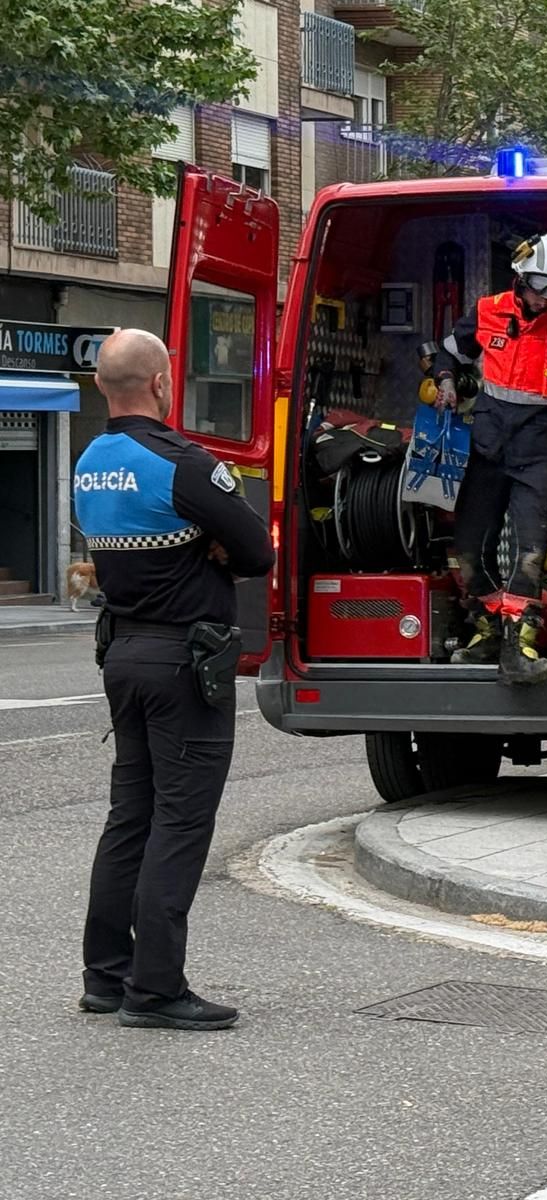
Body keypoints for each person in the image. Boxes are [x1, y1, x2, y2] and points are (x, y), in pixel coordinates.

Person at [73, 329, 275, 1031]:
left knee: (129, 817)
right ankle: (156, 990)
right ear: (162, 383)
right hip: (184, 664)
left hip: (123, 657)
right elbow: (257, 550)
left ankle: (106, 976)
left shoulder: (89, 462)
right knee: (180, 823)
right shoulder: (183, 464)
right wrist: (212, 545)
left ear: (102, 386)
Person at [432, 233, 547, 685]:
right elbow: (449, 352)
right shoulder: (488, 311)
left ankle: (521, 646)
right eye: (540, 287)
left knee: (530, 553)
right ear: (520, 279)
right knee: (469, 551)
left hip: (541, 451)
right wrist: (445, 380)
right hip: (488, 448)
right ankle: (487, 631)